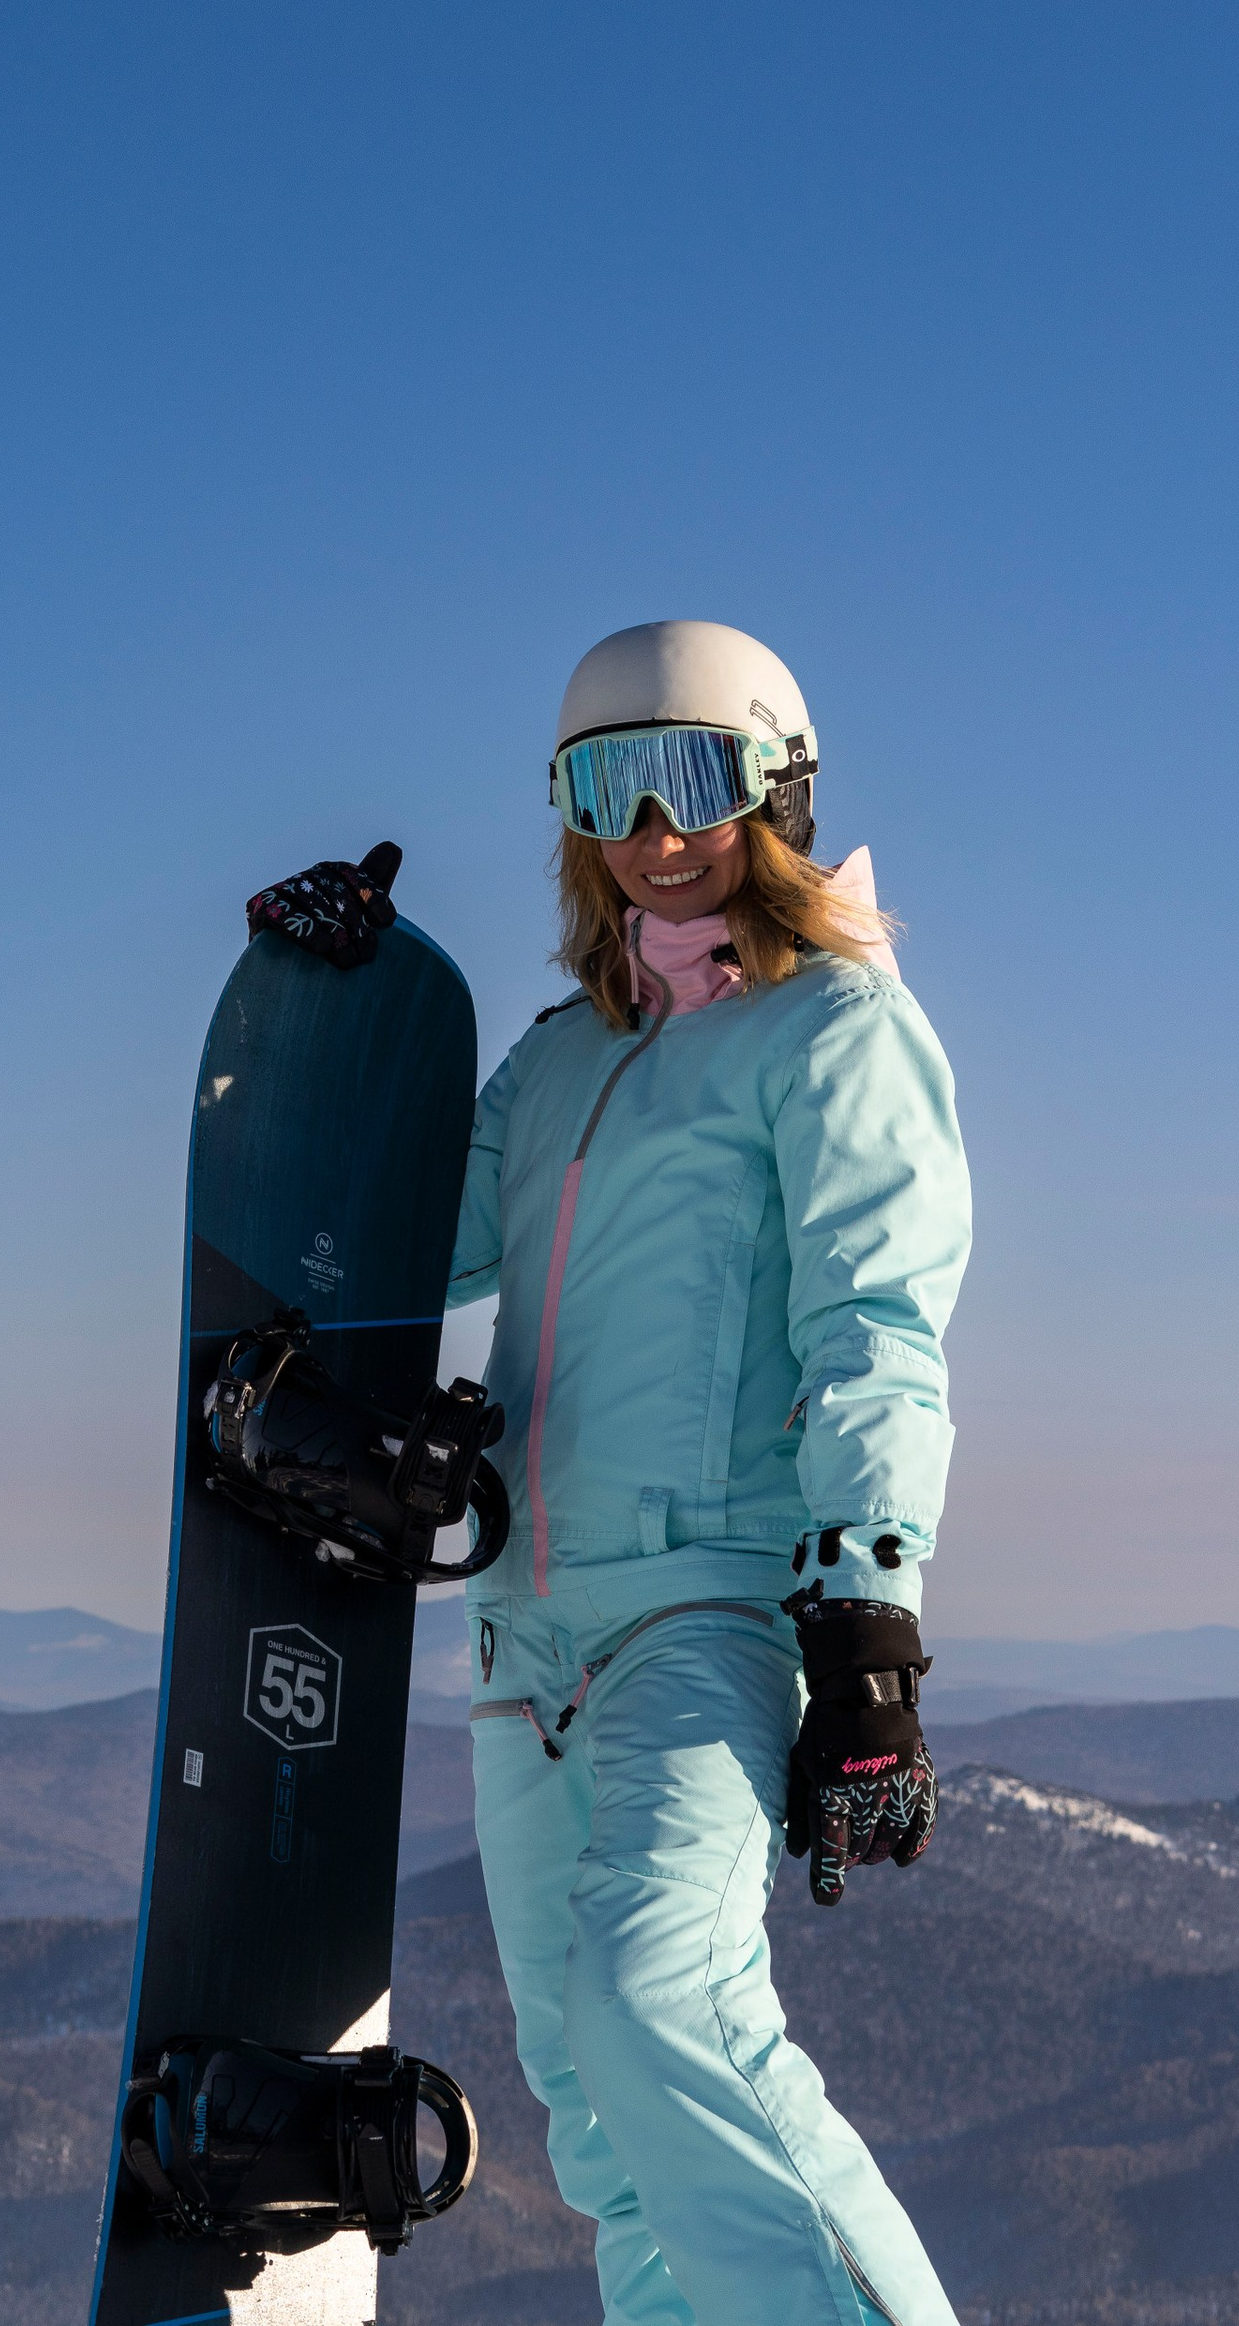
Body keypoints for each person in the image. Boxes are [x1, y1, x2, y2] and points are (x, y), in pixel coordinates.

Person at [448, 618, 971, 2326]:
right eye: (610, 785)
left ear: (780, 789)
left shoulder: (836, 1028)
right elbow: (403, 1246)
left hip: (707, 1603)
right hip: (528, 1641)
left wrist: (869, 1612)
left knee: (665, 2005)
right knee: (597, 2110)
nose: (654, 828)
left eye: (694, 778)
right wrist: (333, 1012)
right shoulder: (556, 1062)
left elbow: (879, 1323)